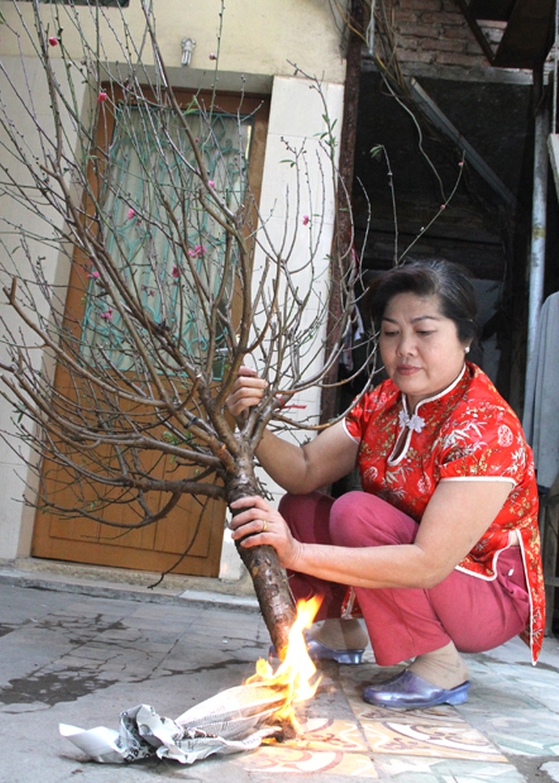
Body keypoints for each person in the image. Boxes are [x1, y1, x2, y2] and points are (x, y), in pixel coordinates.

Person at [226, 259, 545, 710]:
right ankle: (342, 632)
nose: (405, 349)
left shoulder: (484, 427)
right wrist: (249, 419)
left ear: (466, 339)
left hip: (486, 596)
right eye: (392, 333)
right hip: (427, 569)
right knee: (302, 508)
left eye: (424, 332)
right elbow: (302, 469)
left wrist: (295, 554)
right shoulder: (384, 401)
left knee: (355, 513)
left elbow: (427, 564)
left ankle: (441, 665)